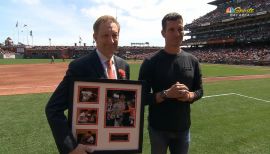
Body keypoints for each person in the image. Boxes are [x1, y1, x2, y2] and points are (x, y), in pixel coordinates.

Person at [45, 15, 130, 154]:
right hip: (89, 146)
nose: (111, 40)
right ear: (95, 37)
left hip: (116, 143)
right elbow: (53, 109)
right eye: (105, 35)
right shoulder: (79, 67)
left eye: (115, 35)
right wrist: (71, 147)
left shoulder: (123, 65)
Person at [138, 12, 203, 154]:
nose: (177, 33)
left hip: (183, 129)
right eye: (171, 29)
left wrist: (190, 96)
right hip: (158, 129)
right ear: (163, 33)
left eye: (180, 29)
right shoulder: (150, 62)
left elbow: (200, 90)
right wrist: (166, 94)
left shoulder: (193, 60)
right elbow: (141, 98)